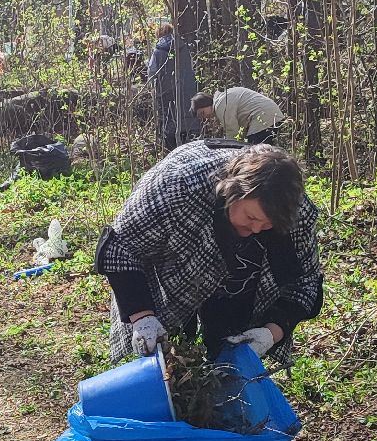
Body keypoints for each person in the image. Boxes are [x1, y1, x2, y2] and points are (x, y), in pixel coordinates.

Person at [94, 140, 322, 363]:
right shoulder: (178, 186)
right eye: (251, 217)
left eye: (266, 225)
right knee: (164, 357)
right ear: (233, 191)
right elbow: (120, 247)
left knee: (224, 358)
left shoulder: (296, 213)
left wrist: (271, 333)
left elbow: (305, 284)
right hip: (171, 268)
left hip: (238, 285)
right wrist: (142, 316)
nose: (255, 229)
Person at [194, 87, 283, 144]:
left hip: (262, 118)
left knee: (257, 156)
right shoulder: (223, 97)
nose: (205, 117)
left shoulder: (220, 106)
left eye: (203, 113)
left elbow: (233, 133)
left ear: (207, 104)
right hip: (272, 115)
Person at [145, 22, 184, 150]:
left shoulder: (158, 50)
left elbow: (152, 71)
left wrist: (151, 84)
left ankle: (168, 145)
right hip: (183, 87)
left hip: (164, 88)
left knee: (166, 115)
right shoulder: (183, 46)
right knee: (181, 113)